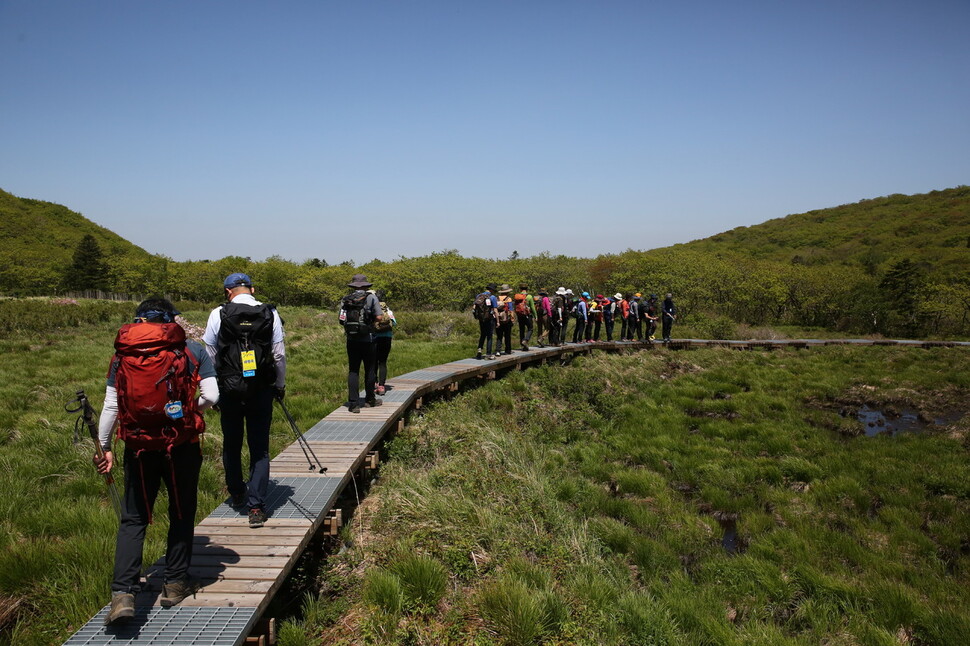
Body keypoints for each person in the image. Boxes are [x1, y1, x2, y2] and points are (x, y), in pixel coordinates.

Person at [96, 298, 218, 625]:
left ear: (138, 319)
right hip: (181, 443)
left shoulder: (123, 355)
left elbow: (111, 406)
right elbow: (212, 395)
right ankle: (175, 584)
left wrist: (105, 447)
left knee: (134, 517)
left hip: (137, 445)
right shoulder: (191, 350)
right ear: (171, 319)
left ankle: (123, 593)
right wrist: (192, 411)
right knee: (180, 511)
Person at [203, 273, 286, 529]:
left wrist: (216, 385)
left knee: (232, 442)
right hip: (260, 388)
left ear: (228, 291)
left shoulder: (218, 313)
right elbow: (279, 354)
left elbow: (209, 350)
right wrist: (279, 385)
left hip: (229, 388)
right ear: (252, 289)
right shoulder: (269, 313)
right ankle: (256, 507)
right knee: (259, 447)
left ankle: (237, 491)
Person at [338, 274, 384, 411]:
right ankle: (370, 399)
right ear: (365, 286)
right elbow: (380, 317)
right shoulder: (371, 298)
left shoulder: (346, 300)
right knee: (370, 369)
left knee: (353, 370)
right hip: (368, 339)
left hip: (351, 340)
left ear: (353, 286)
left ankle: (353, 404)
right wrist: (370, 326)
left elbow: (341, 320)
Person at [372, 290, 396, 395]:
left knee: (373, 362)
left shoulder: (373, 309)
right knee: (382, 362)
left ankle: (374, 384)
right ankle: (382, 386)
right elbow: (394, 323)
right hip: (387, 338)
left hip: (375, 338)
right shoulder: (388, 310)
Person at [474, 283, 498, 360]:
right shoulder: (492, 297)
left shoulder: (478, 296)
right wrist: (497, 321)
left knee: (483, 334)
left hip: (481, 319)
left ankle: (479, 350)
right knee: (489, 336)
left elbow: (474, 307)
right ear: (492, 290)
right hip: (489, 319)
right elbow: (495, 310)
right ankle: (488, 354)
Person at [515, 283, 537, 351]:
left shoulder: (517, 296)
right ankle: (525, 340)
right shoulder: (529, 296)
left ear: (520, 289)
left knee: (522, 329)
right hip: (527, 315)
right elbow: (533, 307)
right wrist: (535, 315)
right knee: (530, 328)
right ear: (527, 289)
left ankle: (523, 345)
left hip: (520, 315)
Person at [495, 284, 514, 355]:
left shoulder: (497, 298)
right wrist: (512, 318)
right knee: (507, 335)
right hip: (507, 320)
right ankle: (508, 350)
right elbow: (511, 309)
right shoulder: (508, 299)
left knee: (499, 336)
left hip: (498, 320)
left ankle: (497, 350)